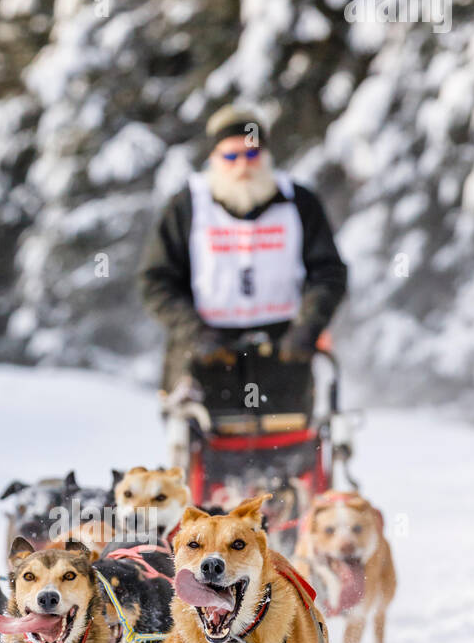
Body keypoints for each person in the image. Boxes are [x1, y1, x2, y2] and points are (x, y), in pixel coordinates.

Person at [140, 104, 347, 419]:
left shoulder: (299, 203)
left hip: (285, 355)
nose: (242, 166)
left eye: (251, 155)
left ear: (265, 157)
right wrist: (193, 331)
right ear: (214, 159)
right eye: (230, 156)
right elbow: (156, 281)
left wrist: (308, 325)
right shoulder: (187, 207)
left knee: (291, 451)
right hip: (204, 356)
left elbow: (328, 272)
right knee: (200, 451)